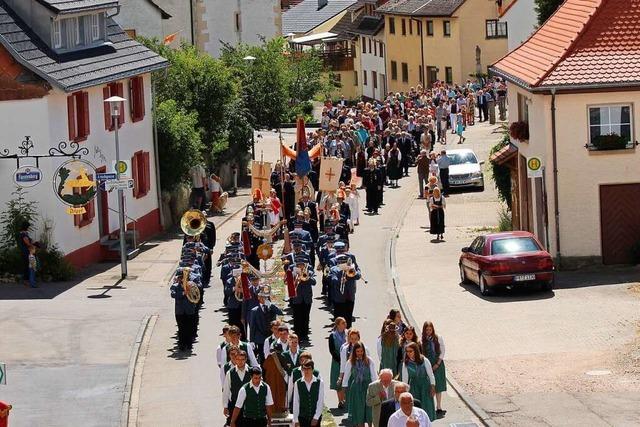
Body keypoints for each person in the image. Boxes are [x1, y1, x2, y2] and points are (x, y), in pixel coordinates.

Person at [342, 342, 377, 426]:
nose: (360, 353)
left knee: (369, 410)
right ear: (354, 352)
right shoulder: (350, 362)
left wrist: (374, 388)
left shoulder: (369, 360)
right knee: (359, 411)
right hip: (357, 388)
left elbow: (374, 375)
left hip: (368, 387)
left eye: (361, 351)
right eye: (358, 351)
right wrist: (344, 387)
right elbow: (346, 376)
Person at [401, 342, 436, 422]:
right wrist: (405, 391)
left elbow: (430, 374)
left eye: (411, 351)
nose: (409, 353)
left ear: (415, 351)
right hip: (413, 387)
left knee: (426, 406)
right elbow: (405, 379)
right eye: (407, 351)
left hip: (425, 386)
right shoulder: (406, 363)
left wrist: (432, 386)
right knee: (416, 407)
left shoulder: (424, 360)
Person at [248, 288, 283, 364]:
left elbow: (280, 313)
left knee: (274, 358)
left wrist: (271, 305)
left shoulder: (271, 307)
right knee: (263, 359)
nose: (265, 299)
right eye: (263, 297)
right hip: (260, 338)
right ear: (258, 298)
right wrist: (252, 340)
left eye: (266, 297)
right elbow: (252, 326)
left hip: (271, 336)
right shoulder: (254, 310)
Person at [421, 321, 447, 418]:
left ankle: (439, 406)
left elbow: (443, 350)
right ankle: (430, 406)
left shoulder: (438, 338)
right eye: (426, 330)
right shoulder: (423, 340)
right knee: (430, 384)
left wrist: (438, 363)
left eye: (430, 329)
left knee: (438, 385)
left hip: (437, 362)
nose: (428, 331)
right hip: (428, 362)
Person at [222, 350, 251, 425]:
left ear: (246, 359)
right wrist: (225, 406)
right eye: (238, 359)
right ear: (235, 359)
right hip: (235, 404)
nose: (240, 361)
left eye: (242, 359)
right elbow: (226, 390)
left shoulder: (251, 372)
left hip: (249, 405)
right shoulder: (230, 373)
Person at [292, 361, 324, 427]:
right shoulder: (297, 383)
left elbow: (320, 401)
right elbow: (296, 402)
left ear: (312, 369)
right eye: (304, 369)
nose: (306, 371)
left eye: (308, 369)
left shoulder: (319, 382)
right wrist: (296, 420)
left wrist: (316, 417)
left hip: (315, 417)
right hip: (302, 417)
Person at [328, 317, 348, 407]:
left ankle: (346, 399)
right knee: (339, 381)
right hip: (337, 361)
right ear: (338, 325)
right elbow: (332, 350)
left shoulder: (348, 333)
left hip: (348, 360)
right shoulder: (333, 335)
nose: (345, 324)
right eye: (343, 323)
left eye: (345, 323)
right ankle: (340, 401)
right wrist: (340, 360)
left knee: (347, 379)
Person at [17, 220, 38, 288]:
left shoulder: (22, 233)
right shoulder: (24, 234)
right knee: (28, 266)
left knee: (26, 265)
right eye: (28, 227)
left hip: (24, 251)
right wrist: (33, 246)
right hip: (26, 252)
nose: (29, 228)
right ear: (26, 227)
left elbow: (28, 241)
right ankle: (27, 281)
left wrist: (32, 242)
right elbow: (27, 243)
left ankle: (26, 281)